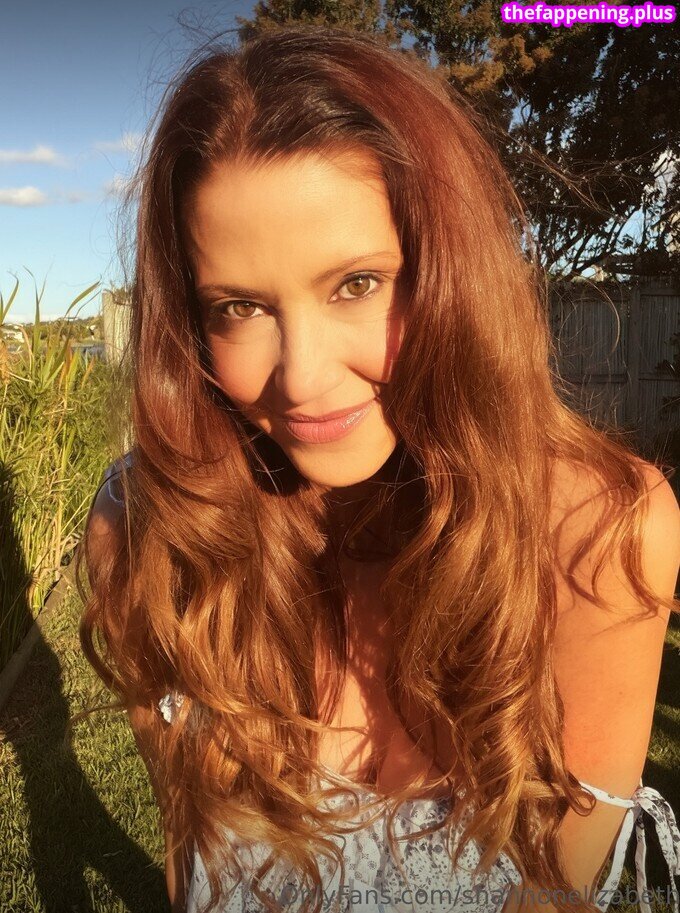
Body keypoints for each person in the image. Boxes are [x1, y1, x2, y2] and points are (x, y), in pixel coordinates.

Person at [77, 23, 680, 913]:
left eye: (357, 283)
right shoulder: (153, 530)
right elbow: (190, 860)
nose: (301, 377)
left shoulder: (597, 537)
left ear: (451, 273)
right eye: (239, 307)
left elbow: (553, 889)